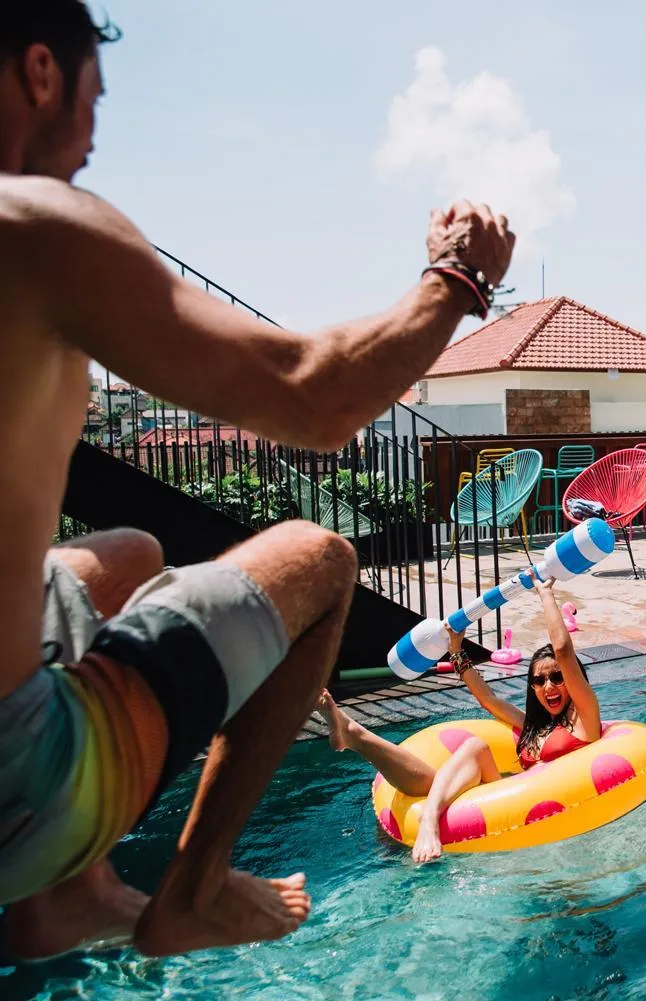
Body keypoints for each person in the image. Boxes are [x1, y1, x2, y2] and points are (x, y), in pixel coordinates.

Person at [0, 4, 514, 959]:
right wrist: (459, 275)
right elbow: (313, 398)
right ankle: (188, 889)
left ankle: (62, 899)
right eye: (94, 102)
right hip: (19, 774)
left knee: (129, 556)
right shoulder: (34, 225)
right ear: (41, 73)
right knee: (321, 559)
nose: (93, 139)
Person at [318, 580, 598, 863]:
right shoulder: (532, 728)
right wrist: (456, 648)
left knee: (468, 753)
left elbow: (562, 650)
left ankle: (359, 740)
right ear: (532, 688)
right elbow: (488, 699)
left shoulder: (584, 719)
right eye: (539, 680)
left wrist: (546, 595)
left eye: (557, 677)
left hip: (552, 810)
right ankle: (354, 735)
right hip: (508, 802)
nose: (549, 686)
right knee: (456, 762)